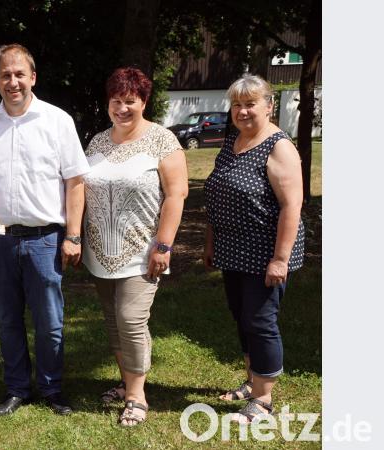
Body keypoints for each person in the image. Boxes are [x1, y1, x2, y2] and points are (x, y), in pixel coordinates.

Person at [0, 44, 90, 417]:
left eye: (20, 74)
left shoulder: (58, 121)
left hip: (45, 240)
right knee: (6, 320)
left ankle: (52, 390)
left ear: (33, 77)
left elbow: (76, 182)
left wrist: (73, 235)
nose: (13, 81)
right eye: (6, 75)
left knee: (50, 323)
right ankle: (17, 389)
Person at [80, 67, 188, 426]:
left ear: (143, 102)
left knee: (131, 319)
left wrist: (164, 245)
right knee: (113, 322)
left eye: (131, 101)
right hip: (100, 252)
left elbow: (176, 194)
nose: (122, 108)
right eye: (116, 101)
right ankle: (127, 382)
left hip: (142, 251)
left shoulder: (162, 140)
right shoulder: (97, 141)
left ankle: (137, 397)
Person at [204, 74, 305, 424]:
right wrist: (211, 240)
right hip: (233, 249)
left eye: (250, 104)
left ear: (268, 106)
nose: (243, 111)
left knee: (261, 322)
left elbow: (292, 206)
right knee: (242, 318)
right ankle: (252, 381)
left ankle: (263, 401)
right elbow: (217, 195)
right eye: (237, 104)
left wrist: (280, 259)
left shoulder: (278, 146)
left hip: (266, 253)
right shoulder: (232, 142)